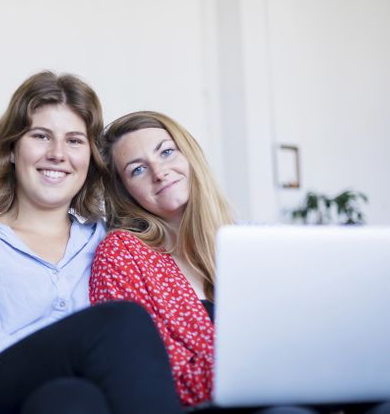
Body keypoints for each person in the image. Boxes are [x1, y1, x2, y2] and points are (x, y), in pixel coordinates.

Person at [90, 110, 390, 414]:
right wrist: (276, 365)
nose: (159, 172)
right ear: (125, 191)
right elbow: (145, 373)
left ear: (190, 155)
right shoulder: (121, 254)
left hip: (298, 385)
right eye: (137, 170)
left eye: (167, 152)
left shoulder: (244, 241)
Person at [0, 75, 182, 414]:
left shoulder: (111, 242)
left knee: (72, 400)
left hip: (57, 401)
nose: (57, 154)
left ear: (90, 158)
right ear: (12, 148)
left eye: (74, 141)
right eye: (41, 136)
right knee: (121, 322)